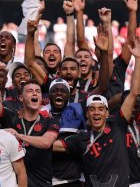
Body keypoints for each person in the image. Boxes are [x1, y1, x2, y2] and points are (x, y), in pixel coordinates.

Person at [53, 36, 140, 187]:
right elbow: (52, 145)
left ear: (107, 113)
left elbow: (133, 93)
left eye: (101, 109)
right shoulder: (81, 138)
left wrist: (138, 59)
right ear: (87, 114)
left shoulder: (117, 125)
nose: (96, 113)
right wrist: (23, 140)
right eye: (92, 109)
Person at [0, 80, 60, 187]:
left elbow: (46, 142)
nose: (35, 93)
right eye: (30, 91)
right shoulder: (11, 117)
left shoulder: (50, 121)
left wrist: (19, 136)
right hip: (13, 183)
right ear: (21, 98)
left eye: (38, 91)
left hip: (41, 183)